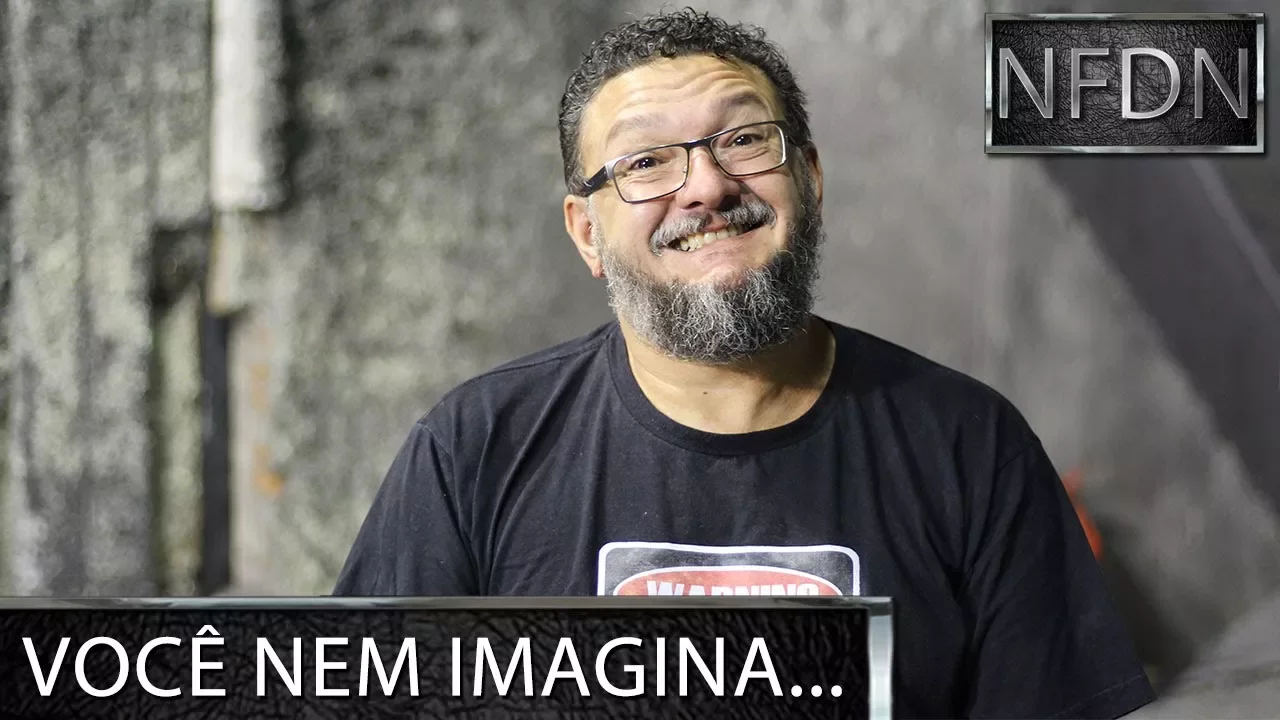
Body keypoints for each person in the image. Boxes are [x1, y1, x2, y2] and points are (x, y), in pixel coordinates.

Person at [334, 8, 1155, 718]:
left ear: (810, 178)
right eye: (645, 161)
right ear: (587, 232)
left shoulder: (970, 448)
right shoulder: (476, 450)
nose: (706, 186)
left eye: (744, 139)